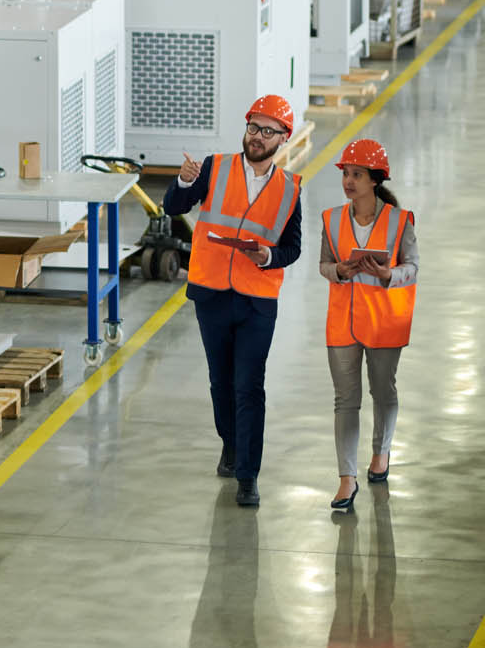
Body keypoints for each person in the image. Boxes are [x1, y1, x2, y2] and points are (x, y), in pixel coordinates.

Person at [164, 94, 304, 508]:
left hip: (257, 301)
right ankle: (229, 442)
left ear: (283, 138)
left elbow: (293, 247)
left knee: (249, 386)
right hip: (211, 295)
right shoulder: (214, 168)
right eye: (252, 128)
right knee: (220, 383)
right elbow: (174, 206)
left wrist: (268, 257)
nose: (256, 137)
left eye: (266, 131)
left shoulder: (290, 189)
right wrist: (185, 181)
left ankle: (248, 474)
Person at [319, 138, 418, 512]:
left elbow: (413, 268)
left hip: (383, 321)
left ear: (374, 179)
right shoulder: (330, 219)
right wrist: (340, 270)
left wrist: (389, 273)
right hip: (343, 321)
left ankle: (382, 451)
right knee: (345, 400)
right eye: (346, 173)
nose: (348, 181)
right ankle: (346, 478)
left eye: (356, 174)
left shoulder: (399, 221)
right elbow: (324, 265)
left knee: (382, 389)